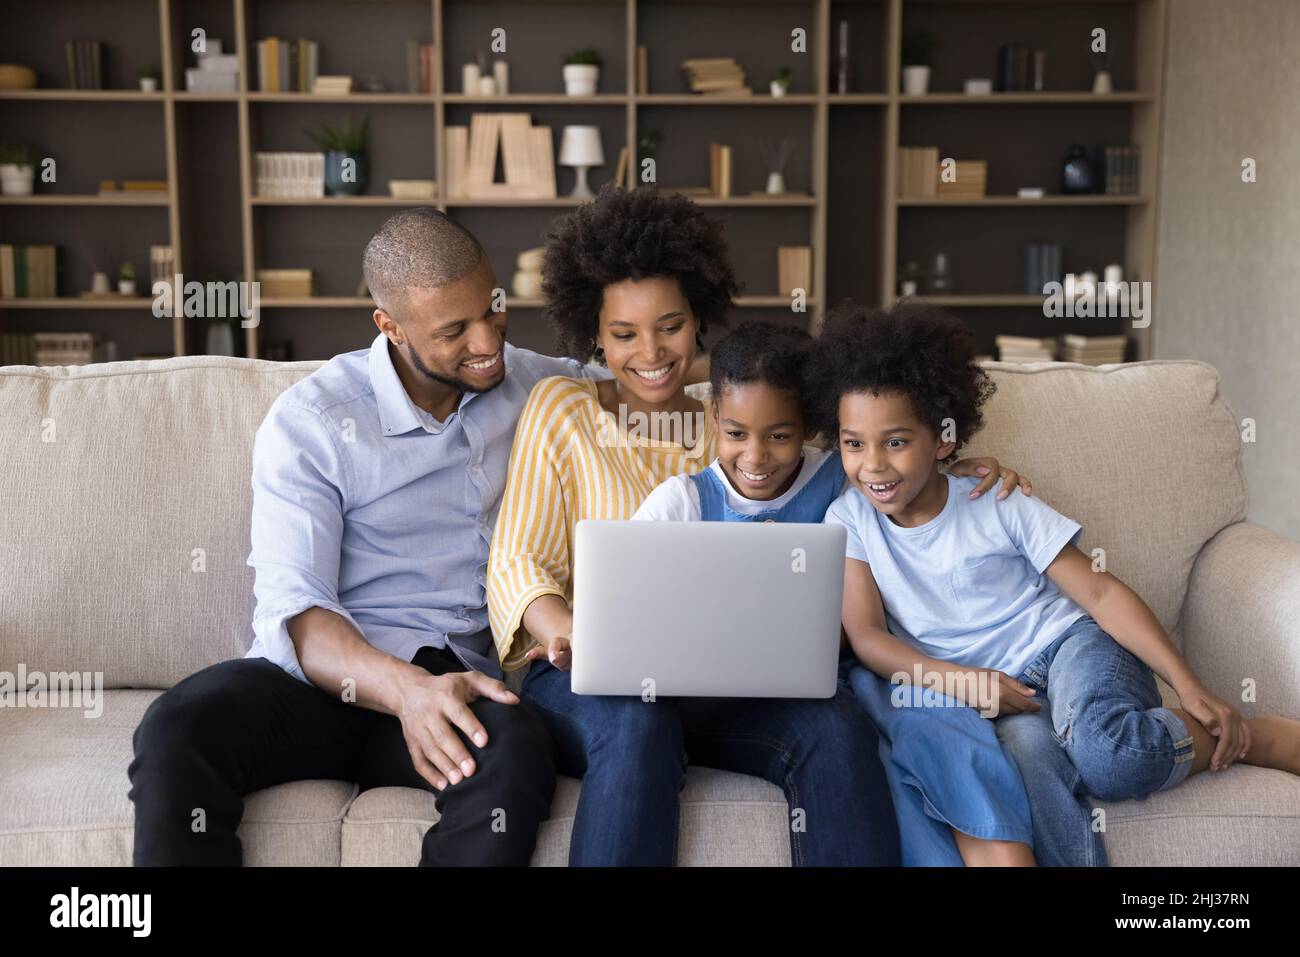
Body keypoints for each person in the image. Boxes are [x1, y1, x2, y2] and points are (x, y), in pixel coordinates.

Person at [487, 187, 1024, 866]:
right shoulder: (560, 407)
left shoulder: (738, 415)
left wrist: (953, 462)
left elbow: (875, 464)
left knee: (832, 722)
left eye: (671, 325)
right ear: (594, 332)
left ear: (700, 318)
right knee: (637, 716)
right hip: (584, 674)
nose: (650, 351)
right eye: (623, 333)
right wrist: (565, 632)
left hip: (728, 686)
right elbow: (516, 561)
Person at [128, 208, 608, 866]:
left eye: (491, 309)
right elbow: (298, 611)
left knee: (517, 746)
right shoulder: (315, 421)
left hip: (453, 679)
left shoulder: (539, 387)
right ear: (389, 326)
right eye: (454, 330)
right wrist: (403, 689)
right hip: (325, 679)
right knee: (180, 723)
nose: (487, 339)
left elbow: (645, 385)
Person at [814, 300, 1300, 867]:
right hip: (1003, 698)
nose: (873, 465)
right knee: (1029, 779)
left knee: (1108, 758)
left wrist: (1187, 683)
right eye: (854, 443)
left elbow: (1098, 593)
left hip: (1073, 648)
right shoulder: (849, 521)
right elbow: (869, 639)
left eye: (895, 442)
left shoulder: (992, 498)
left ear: (943, 439)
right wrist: (967, 684)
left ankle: (1256, 737)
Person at [637, 321, 1037, 867]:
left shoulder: (840, 480)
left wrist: (955, 472)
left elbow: (899, 478)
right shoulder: (679, 503)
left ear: (810, 426)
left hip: (833, 683)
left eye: (779, 435)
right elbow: (629, 610)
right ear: (713, 421)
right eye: (736, 434)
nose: (756, 457)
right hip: (713, 708)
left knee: (921, 725)